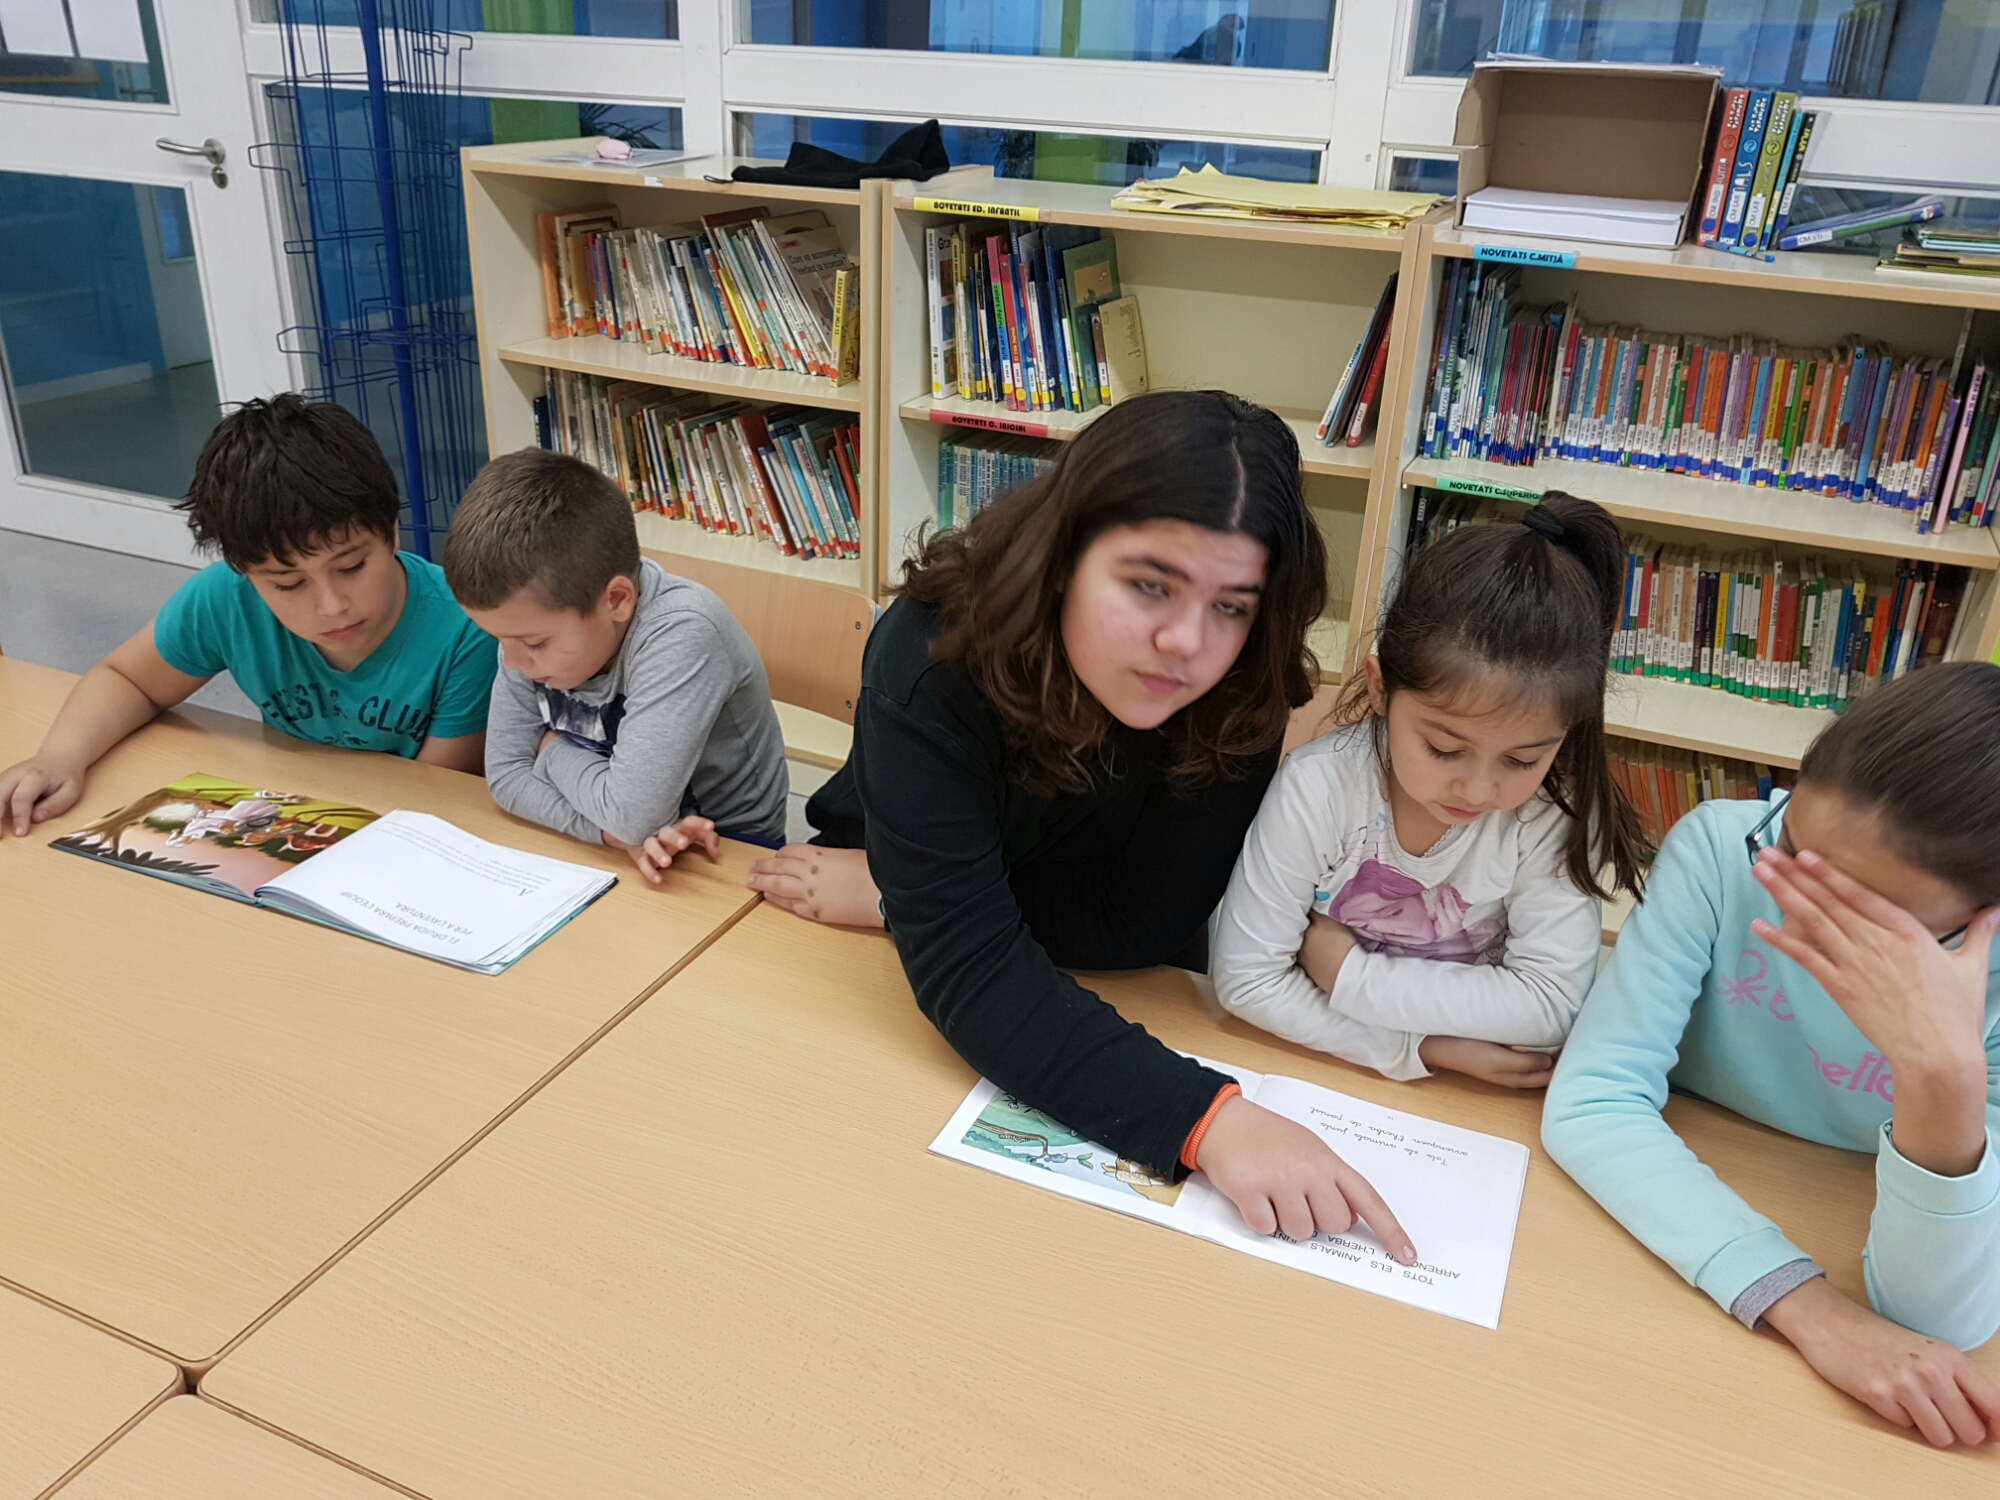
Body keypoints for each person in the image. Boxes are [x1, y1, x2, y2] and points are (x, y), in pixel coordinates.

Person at [749, 390, 1414, 1257]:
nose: (1186, 643)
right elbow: (972, 974)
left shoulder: (1239, 685)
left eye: (1231, 605)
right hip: (854, 959)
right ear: (1064, 554)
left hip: (1055, 967)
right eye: (1149, 585)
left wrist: (904, 900)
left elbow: (1144, 924)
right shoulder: (933, 654)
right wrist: (1211, 1121)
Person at [1543, 662, 2000, 1449]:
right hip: (1674, 1217)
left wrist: (1944, 1072)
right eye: (1788, 848)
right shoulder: (1723, 848)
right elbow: (1593, 1099)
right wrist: (1808, 1309)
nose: (1787, 909)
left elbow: (1932, 1323)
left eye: (1851, 914)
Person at [1211, 491, 1646, 1088]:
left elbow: (1552, 1005)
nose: (1479, 788)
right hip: (1338, 1074)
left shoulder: (1550, 815)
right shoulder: (1318, 789)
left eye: (1522, 759)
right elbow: (1246, 980)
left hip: (1448, 1098)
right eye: (1444, 749)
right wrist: (1422, 1048)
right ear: (1380, 688)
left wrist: (1347, 975)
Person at [0, 395, 496, 837]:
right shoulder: (227, 598)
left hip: (388, 832)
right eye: (288, 584)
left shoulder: (467, 627)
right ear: (244, 571)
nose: (331, 605)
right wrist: (59, 758)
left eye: (351, 567)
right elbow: (129, 679)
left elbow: (435, 792)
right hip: (290, 810)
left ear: (392, 532)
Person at [443, 448, 788, 883]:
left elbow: (633, 816)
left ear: (617, 600)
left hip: (728, 852)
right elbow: (506, 777)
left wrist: (550, 752)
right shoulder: (523, 628)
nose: (512, 662)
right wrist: (611, 835)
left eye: (534, 643)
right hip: (621, 844)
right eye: (500, 640)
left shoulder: (682, 632)